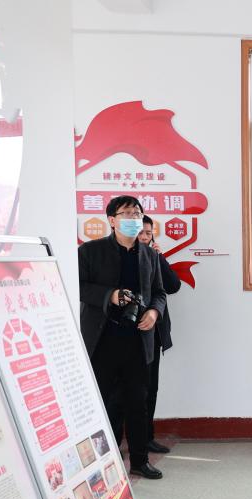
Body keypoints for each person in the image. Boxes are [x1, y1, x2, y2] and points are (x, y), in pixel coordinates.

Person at [79, 195, 167, 480]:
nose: (133, 218)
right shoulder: (90, 251)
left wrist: (153, 312)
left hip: (138, 340)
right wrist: (110, 295)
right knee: (105, 403)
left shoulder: (149, 255)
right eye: (126, 213)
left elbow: (160, 293)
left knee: (138, 403)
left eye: (137, 213)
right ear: (112, 221)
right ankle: (106, 461)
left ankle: (140, 461)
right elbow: (78, 285)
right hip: (103, 340)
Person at [138, 216, 181, 454]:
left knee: (150, 387)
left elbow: (173, 286)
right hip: (126, 333)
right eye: (141, 233)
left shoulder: (154, 256)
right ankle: (119, 440)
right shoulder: (120, 257)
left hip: (153, 332)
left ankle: (146, 437)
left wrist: (160, 256)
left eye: (149, 233)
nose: (145, 237)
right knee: (121, 391)